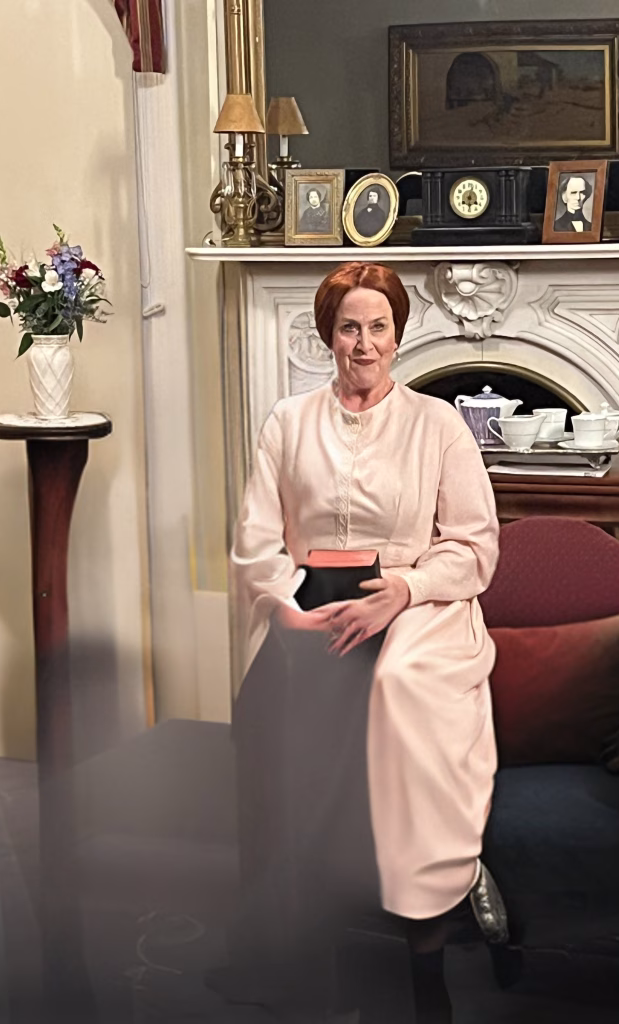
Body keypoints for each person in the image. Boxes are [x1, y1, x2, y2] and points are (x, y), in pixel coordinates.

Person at [227, 262, 506, 1023]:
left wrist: (404, 592)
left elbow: (475, 547)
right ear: (329, 335)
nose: (364, 343)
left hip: (412, 602)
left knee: (397, 687)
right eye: (349, 327)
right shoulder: (287, 421)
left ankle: (429, 941)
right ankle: (298, 951)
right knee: (274, 708)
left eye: (378, 327)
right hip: (309, 600)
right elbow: (255, 542)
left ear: (397, 334)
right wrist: (286, 609)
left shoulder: (438, 424)